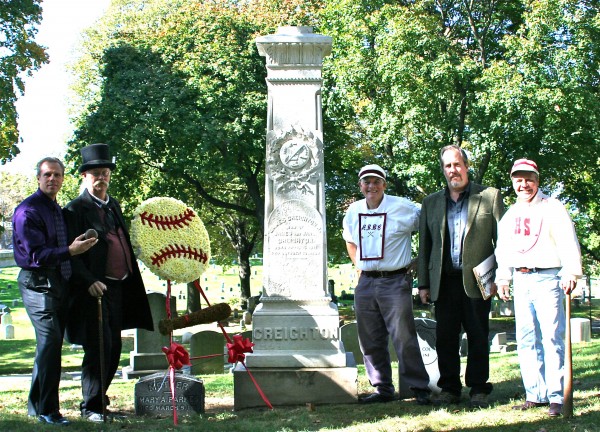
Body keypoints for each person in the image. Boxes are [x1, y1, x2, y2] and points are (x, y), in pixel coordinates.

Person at [64, 143, 153, 422]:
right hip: (94, 291)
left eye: (104, 172)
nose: (101, 178)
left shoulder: (112, 205)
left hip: (119, 287)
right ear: (84, 177)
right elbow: (71, 254)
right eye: (95, 173)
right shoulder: (74, 210)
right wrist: (89, 281)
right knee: (98, 346)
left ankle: (101, 401)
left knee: (114, 346)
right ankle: (90, 406)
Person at [12, 157, 97, 425]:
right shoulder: (28, 212)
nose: (53, 179)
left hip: (58, 284)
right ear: (38, 178)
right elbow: (36, 255)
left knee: (48, 348)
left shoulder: (55, 209)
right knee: (49, 344)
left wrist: (76, 245)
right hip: (38, 284)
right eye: (47, 175)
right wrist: (70, 250)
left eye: (57, 175)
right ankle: (48, 411)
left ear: (62, 179)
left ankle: (37, 408)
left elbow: (61, 245)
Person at [418, 145, 504, 408]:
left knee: (478, 335)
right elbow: (425, 246)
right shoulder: (431, 202)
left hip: (480, 280)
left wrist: (502, 278)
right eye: (447, 166)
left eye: (457, 164)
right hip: (444, 281)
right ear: (443, 170)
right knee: (445, 337)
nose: (453, 170)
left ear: (466, 166)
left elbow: (503, 241)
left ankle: (478, 387)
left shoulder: (489, 196)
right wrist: (423, 283)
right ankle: (450, 388)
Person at [495, 158, 582, 417]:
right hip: (521, 279)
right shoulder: (510, 214)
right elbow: (504, 250)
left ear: (537, 180)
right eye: (519, 180)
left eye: (529, 179)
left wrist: (571, 271)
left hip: (548, 277)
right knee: (526, 338)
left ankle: (557, 396)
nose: (524, 184)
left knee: (551, 337)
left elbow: (567, 239)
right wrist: (503, 278)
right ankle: (535, 393)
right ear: (513, 182)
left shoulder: (552, 207)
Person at [342, 164, 431, 405]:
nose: (371, 186)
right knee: (369, 338)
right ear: (360, 186)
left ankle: (418, 387)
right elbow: (350, 241)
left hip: (394, 280)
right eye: (366, 182)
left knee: (403, 336)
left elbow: (432, 224)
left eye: (376, 181)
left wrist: (420, 260)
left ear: (384, 184)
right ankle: (382, 388)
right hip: (366, 282)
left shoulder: (403, 207)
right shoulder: (353, 211)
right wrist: (358, 267)